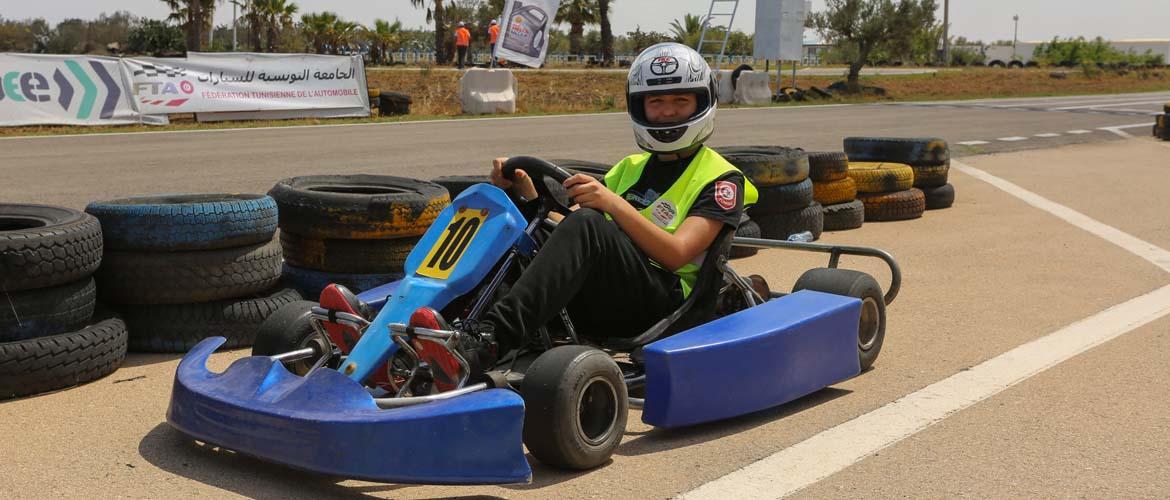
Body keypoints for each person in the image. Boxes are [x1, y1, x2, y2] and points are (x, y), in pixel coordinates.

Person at [432, 43, 758, 377]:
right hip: (611, 292)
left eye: (680, 100)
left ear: (701, 103)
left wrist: (611, 203)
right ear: (640, 107)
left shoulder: (721, 178)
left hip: (662, 305)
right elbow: (568, 236)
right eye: (657, 102)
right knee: (517, 227)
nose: (668, 112)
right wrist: (528, 194)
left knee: (589, 223)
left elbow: (677, 254)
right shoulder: (631, 168)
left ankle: (488, 342)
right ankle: (443, 325)